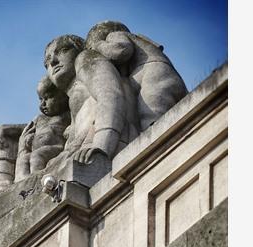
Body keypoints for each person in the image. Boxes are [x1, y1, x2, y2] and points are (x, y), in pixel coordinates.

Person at [43, 34, 136, 165]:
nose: (53, 62)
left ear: (79, 49)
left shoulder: (85, 58)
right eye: (47, 62)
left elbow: (110, 96)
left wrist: (102, 145)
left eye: (63, 51)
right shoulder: (73, 91)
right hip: (86, 148)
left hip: (108, 143)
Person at [85, 20, 188, 130]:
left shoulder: (115, 35)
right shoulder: (138, 40)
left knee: (152, 112)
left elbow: (121, 50)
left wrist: (99, 45)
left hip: (153, 71)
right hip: (163, 73)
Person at [15, 76, 70, 182]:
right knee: (23, 160)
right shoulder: (39, 118)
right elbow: (24, 128)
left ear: (62, 96)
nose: (42, 104)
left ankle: (37, 181)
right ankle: (21, 184)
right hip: (36, 150)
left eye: (48, 98)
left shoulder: (66, 114)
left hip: (57, 147)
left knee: (37, 155)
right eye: (41, 99)